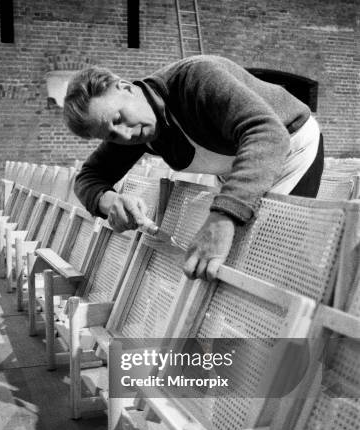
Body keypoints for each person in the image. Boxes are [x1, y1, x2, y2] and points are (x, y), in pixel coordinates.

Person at [63, 55, 323, 281]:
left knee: (272, 254)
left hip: (289, 150)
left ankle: (322, 320)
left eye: (118, 118)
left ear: (125, 88)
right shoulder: (133, 128)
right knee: (228, 261)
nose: (124, 134)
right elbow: (88, 178)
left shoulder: (197, 79)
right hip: (239, 165)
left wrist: (222, 218)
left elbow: (267, 133)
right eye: (110, 135)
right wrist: (110, 201)